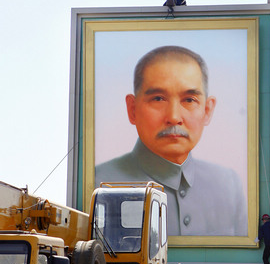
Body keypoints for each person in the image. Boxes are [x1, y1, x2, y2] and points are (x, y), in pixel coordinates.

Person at [95, 46, 247, 236]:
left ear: (207, 111)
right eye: (158, 98)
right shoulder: (99, 183)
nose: (174, 117)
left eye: (189, 100)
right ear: (132, 109)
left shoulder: (228, 185)